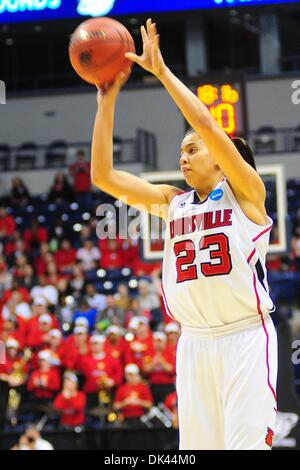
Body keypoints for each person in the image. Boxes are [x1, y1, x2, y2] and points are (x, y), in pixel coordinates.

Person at [91, 19, 277, 450]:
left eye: (192, 149)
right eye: (181, 152)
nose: (184, 157)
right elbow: (103, 174)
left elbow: (208, 124)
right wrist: (106, 98)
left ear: (221, 156)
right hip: (193, 344)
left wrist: (161, 72)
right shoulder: (172, 203)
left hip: (246, 337)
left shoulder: (248, 194)